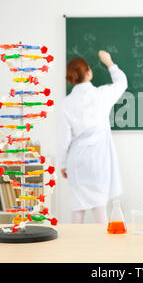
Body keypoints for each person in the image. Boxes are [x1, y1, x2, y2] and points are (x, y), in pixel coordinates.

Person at [56, 51, 127, 223]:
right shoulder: (101, 95)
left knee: (78, 206)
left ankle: (75, 247)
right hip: (98, 157)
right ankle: (101, 246)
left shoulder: (66, 103)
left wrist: (64, 163)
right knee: (99, 205)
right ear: (89, 72)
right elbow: (121, 83)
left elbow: (63, 139)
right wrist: (109, 63)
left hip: (76, 158)